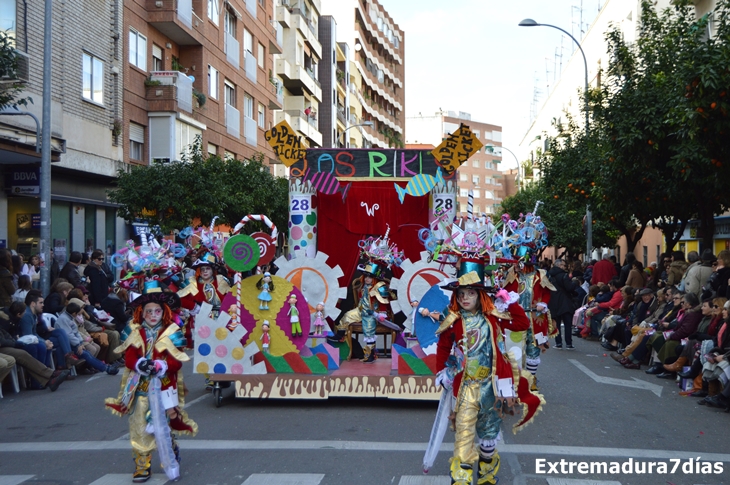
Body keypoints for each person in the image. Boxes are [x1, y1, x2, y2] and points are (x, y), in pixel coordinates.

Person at [428, 261, 542, 485]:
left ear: (481, 295)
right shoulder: (454, 320)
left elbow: (520, 324)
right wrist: (441, 370)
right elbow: (442, 346)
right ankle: (461, 477)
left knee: (489, 434)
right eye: (461, 294)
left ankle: (487, 475)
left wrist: (508, 300)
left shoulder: (493, 316)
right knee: (464, 430)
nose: (465, 298)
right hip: (466, 385)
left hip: (492, 385)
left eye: (471, 293)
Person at [105, 289, 197, 482]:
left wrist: (162, 365)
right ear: (141, 312)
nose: (153, 315)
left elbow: (177, 361)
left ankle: (169, 447)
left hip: (164, 385)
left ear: (164, 312)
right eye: (149, 311)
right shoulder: (134, 331)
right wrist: (140, 364)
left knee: (163, 423)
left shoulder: (172, 331)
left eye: (157, 311)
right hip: (139, 386)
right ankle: (142, 465)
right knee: (139, 424)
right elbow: (130, 356)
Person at [548, 259, 578, 349]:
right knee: (567, 324)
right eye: (564, 265)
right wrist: (574, 283)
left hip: (554, 301)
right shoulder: (564, 275)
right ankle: (569, 343)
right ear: (560, 265)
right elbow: (569, 288)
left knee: (556, 323)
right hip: (565, 302)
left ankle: (558, 343)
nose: (565, 267)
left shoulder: (549, 275)